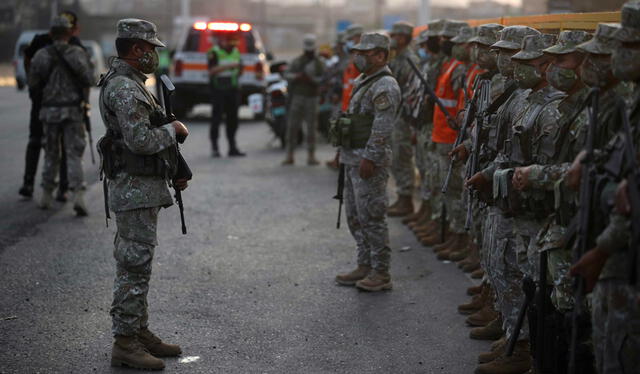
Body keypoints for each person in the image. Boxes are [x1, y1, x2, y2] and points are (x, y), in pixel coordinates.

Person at [97, 18, 188, 370]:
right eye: (151, 49)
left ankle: (138, 331)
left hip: (143, 186)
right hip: (133, 189)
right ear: (136, 49)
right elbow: (141, 140)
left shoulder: (134, 83)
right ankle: (125, 342)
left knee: (140, 264)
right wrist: (174, 130)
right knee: (133, 266)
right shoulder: (123, 87)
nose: (154, 55)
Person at [334, 32, 401, 292]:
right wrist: (342, 150)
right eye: (357, 53)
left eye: (365, 53)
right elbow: (354, 120)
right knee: (355, 215)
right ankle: (364, 263)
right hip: (353, 157)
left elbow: (382, 128)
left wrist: (370, 157)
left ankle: (381, 272)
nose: (358, 57)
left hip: (369, 161)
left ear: (381, 55)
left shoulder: (385, 85)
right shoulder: (364, 80)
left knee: (372, 216)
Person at [27, 16, 94, 215]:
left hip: (49, 110)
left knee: (51, 153)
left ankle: (47, 195)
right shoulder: (78, 53)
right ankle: (79, 196)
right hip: (72, 110)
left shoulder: (41, 55)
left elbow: (33, 82)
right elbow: (88, 79)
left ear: (51, 33)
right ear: (69, 33)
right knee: (74, 153)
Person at [387, 21, 420, 217]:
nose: (394, 39)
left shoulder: (410, 59)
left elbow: (412, 92)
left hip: (404, 117)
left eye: (398, 36)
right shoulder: (396, 58)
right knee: (396, 156)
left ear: (405, 38)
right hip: (395, 115)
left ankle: (406, 198)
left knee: (402, 156)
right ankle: (402, 196)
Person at [282, 34, 325, 166]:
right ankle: (290, 155)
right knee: (292, 126)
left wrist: (312, 80)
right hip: (298, 97)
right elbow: (286, 74)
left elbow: (323, 79)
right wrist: (297, 77)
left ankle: (311, 156)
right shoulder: (297, 61)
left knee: (312, 128)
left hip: (312, 98)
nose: (309, 51)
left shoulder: (319, 63)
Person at [208, 33, 245, 157]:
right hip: (218, 90)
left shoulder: (236, 51)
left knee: (233, 120)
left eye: (234, 44)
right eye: (230, 44)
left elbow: (240, 68)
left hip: (233, 90)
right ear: (223, 41)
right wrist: (229, 66)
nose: (232, 47)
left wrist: (239, 71)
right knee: (216, 119)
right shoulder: (214, 52)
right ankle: (215, 148)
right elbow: (211, 71)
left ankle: (232, 148)